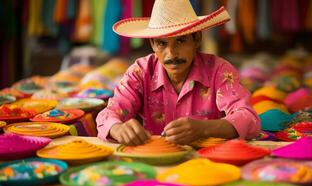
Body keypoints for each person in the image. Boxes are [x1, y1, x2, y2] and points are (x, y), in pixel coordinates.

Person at [96, 0, 260, 145]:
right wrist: (117, 128)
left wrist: (204, 129)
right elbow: (109, 114)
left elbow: (249, 119)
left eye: (180, 41)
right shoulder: (140, 72)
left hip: (208, 164)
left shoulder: (219, 71)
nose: (172, 54)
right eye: (162, 43)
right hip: (154, 159)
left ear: (197, 39)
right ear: (153, 44)